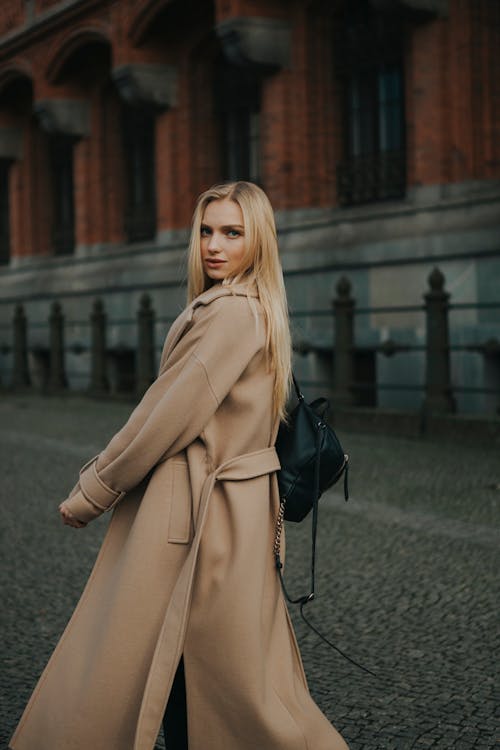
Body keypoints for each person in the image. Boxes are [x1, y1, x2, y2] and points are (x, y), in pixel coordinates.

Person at [9, 181, 349, 750]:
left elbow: (158, 420)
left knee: (193, 676)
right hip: (228, 515)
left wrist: (91, 491)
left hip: (202, 521)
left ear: (258, 240)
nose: (214, 245)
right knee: (211, 675)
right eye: (206, 231)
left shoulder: (230, 314)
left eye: (232, 233)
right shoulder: (252, 307)